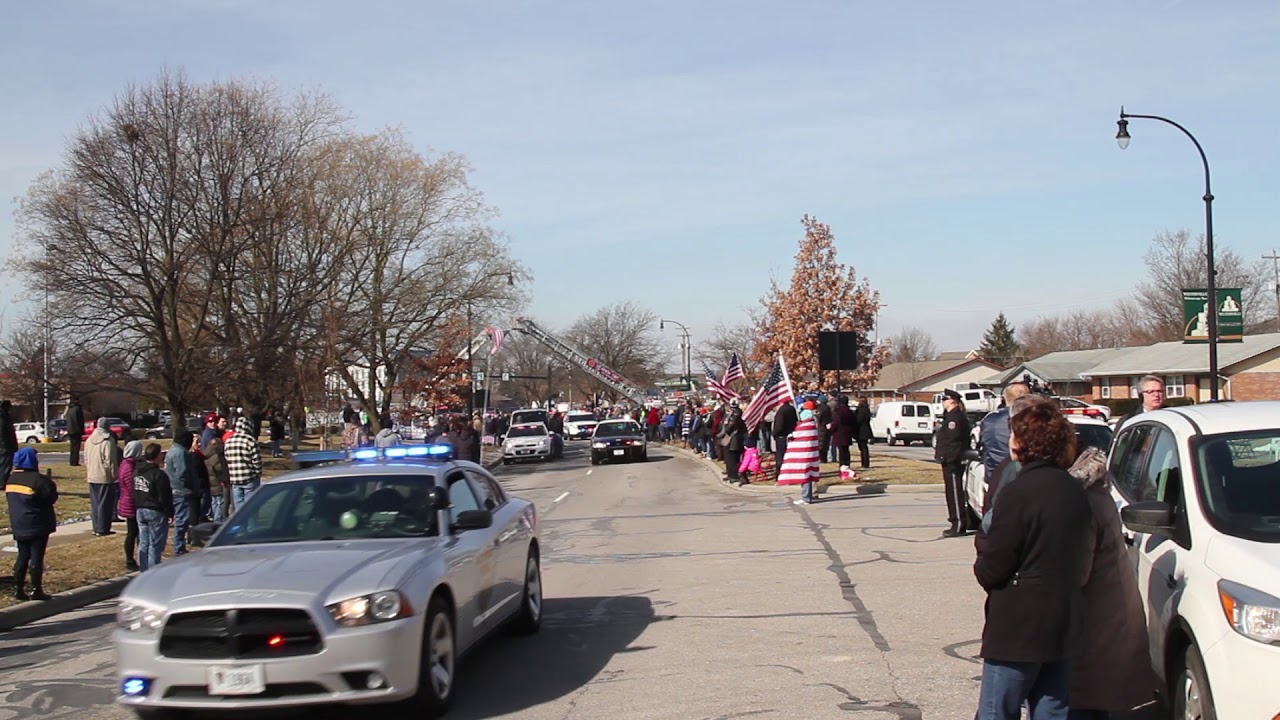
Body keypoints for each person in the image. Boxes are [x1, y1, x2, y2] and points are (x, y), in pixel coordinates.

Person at [974, 402, 1092, 720]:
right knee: (1053, 708)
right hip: (1063, 617)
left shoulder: (1018, 492)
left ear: (1024, 442)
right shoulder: (1074, 489)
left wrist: (982, 566)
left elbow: (994, 565)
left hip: (1019, 624)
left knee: (998, 709)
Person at [1064, 447, 1155, 718]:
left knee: (1086, 701)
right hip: (1108, 617)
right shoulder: (1095, 492)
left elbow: (1077, 571)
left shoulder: (1082, 500)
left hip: (1095, 622)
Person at [5, 447, 57, 601]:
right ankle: (36, 589)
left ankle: (18, 589)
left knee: (22, 556)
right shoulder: (39, 480)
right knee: (36, 557)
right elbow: (50, 498)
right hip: (38, 525)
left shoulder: (11, 479)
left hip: (19, 524)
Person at [978, 383, 1032, 489]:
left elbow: (983, 447)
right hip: (1029, 477)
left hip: (995, 478)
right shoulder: (1035, 419)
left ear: (1004, 398)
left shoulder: (990, 419)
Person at [935, 389, 972, 537]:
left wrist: (947, 457)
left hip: (953, 461)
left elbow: (953, 441)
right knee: (951, 492)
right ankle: (955, 521)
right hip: (949, 460)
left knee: (955, 492)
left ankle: (959, 524)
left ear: (952, 401)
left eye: (945, 399)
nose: (942, 402)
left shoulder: (954, 419)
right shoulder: (950, 417)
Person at [132, 443, 173, 571]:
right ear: (157, 456)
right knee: (155, 544)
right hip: (155, 511)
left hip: (140, 509)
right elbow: (164, 496)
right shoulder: (159, 475)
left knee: (143, 543)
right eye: (161, 454)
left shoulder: (137, 471)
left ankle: (144, 570)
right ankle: (152, 571)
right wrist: (169, 512)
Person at [777, 407, 823, 504]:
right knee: (808, 475)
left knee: (805, 475)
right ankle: (809, 495)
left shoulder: (805, 426)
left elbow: (795, 435)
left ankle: (806, 498)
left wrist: (790, 436)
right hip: (810, 454)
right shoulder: (813, 425)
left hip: (805, 455)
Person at [165, 429, 199, 556]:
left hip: (174, 489)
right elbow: (182, 473)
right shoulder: (180, 453)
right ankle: (179, 547)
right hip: (181, 490)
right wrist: (191, 484)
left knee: (181, 519)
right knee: (182, 520)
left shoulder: (173, 449)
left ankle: (180, 545)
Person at [84, 418, 120, 536]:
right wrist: (114, 475)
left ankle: (96, 527)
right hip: (104, 476)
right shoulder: (108, 441)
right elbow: (110, 460)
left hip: (92, 475)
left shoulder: (89, 440)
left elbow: (85, 458)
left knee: (95, 503)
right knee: (105, 504)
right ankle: (103, 528)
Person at [117, 440, 144, 572]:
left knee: (135, 532)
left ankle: (138, 557)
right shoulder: (129, 467)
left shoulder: (127, 463)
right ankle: (130, 559)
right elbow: (131, 487)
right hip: (130, 504)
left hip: (128, 502)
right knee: (133, 533)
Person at [225, 417, 263, 508]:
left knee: (239, 510)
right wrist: (258, 473)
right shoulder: (250, 440)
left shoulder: (228, 441)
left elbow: (227, 458)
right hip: (249, 478)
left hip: (234, 479)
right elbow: (257, 461)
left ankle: (240, 522)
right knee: (251, 508)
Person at [203, 423, 232, 521]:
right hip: (218, 485)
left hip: (211, 485)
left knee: (214, 503)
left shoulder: (206, 457)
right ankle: (218, 521)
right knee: (220, 504)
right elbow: (221, 470)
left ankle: (216, 519)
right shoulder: (216, 458)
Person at [718, 402, 747, 484]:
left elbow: (730, 427)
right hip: (728, 441)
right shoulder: (729, 415)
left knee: (733, 459)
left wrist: (723, 433)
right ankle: (730, 474)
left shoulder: (736, 415)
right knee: (728, 459)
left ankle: (734, 476)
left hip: (734, 440)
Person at [829, 396, 856, 477]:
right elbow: (853, 422)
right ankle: (847, 466)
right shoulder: (849, 411)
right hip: (847, 433)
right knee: (846, 451)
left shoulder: (839, 411)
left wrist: (831, 428)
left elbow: (836, 422)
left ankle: (842, 468)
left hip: (839, 433)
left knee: (841, 452)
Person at [853, 398, 874, 469]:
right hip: (866, 430)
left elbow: (858, 420)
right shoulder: (867, 410)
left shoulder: (861, 411)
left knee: (863, 448)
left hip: (861, 431)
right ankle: (865, 463)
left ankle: (865, 463)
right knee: (864, 447)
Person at [64, 398, 85, 467]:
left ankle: (72, 461)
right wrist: (82, 430)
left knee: (72, 447)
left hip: (71, 430)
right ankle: (75, 462)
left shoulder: (70, 409)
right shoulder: (78, 409)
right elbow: (80, 420)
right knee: (76, 447)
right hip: (77, 430)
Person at [0, 400, 16, 487]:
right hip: (5, 447)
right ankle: (2, 484)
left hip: (6, 446)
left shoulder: (5, 418)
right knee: (4, 466)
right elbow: (3, 434)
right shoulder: (3, 419)